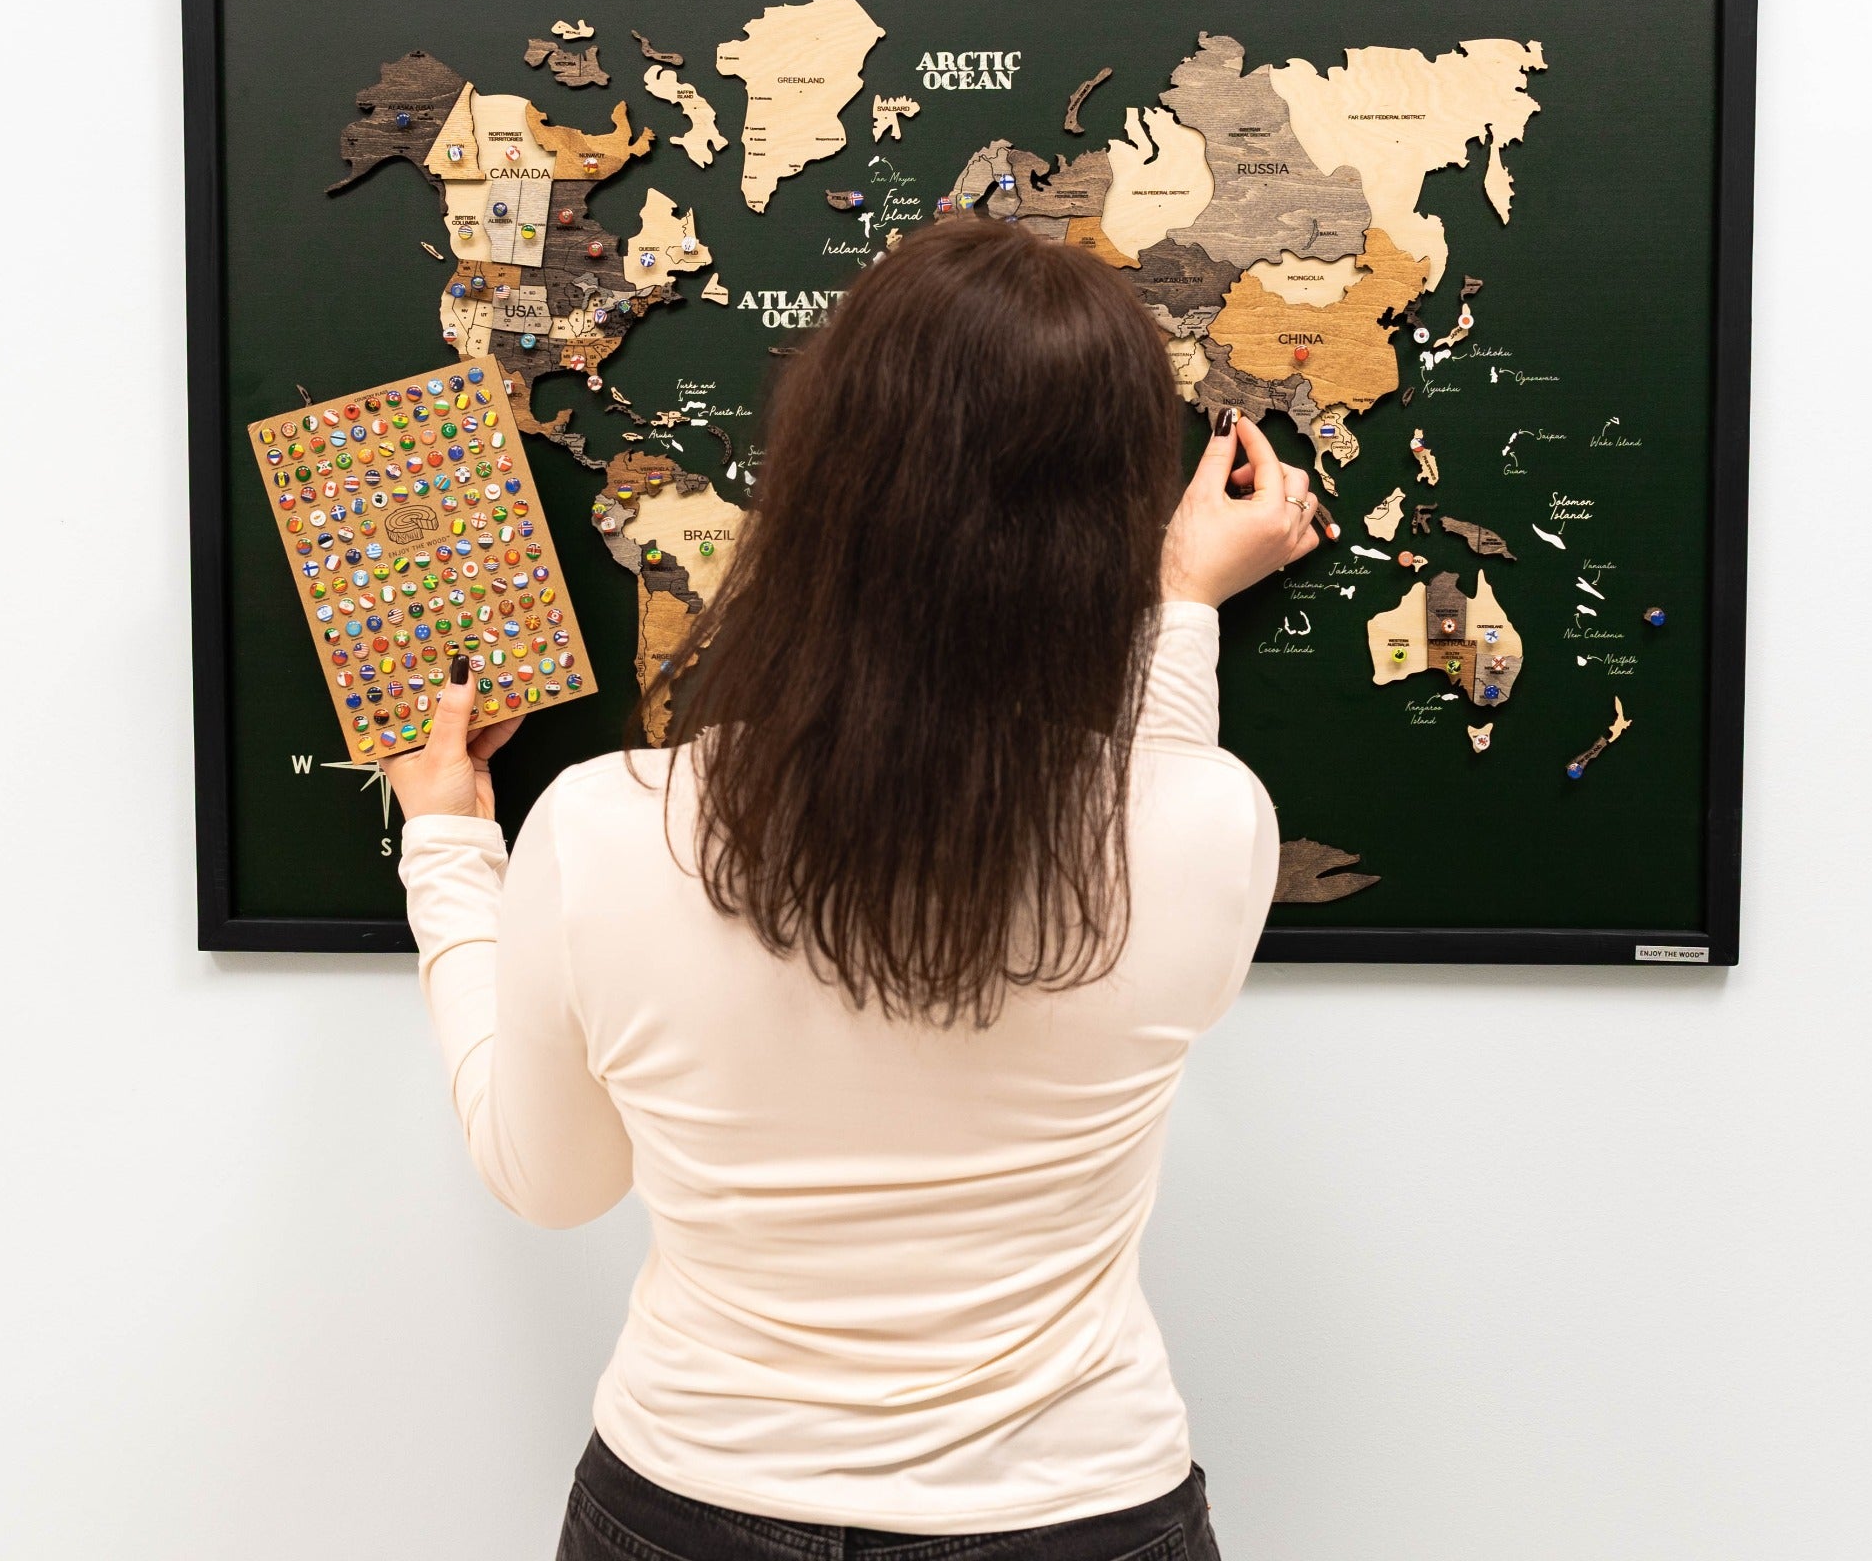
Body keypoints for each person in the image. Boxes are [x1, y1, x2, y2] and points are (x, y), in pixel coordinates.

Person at [388, 219, 1324, 1560]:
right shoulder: (1212, 828)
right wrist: (1179, 600)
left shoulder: (603, 834)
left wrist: (449, 852)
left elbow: (553, 1185)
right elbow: (1143, 810)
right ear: (1111, 512)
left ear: (816, 476)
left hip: (695, 1508)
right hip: (1075, 1514)